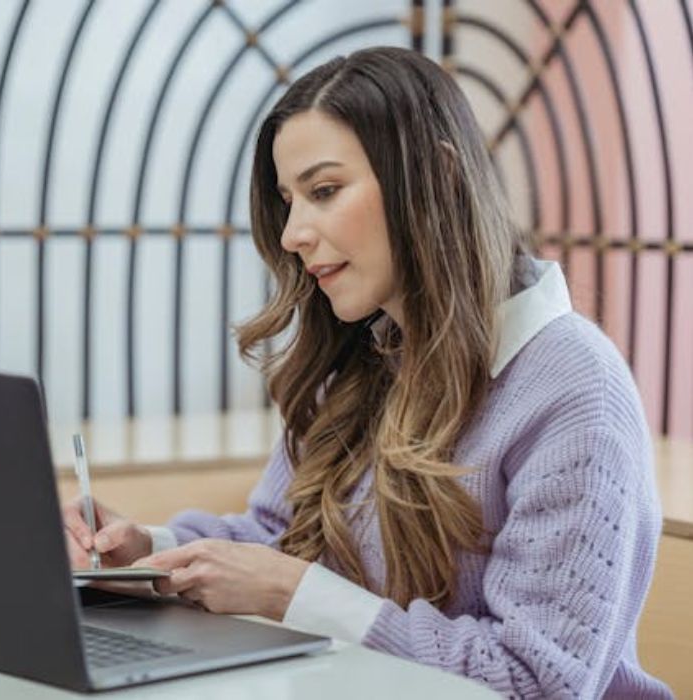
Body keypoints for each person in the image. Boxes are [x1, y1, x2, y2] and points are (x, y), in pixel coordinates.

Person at [63, 47, 671, 698]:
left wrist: (298, 596)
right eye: (288, 201)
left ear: (435, 176)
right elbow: (282, 539)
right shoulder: (363, 356)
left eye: (324, 191)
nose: (294, 232)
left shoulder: (576, 391)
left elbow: (534, 684)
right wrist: (147, 553)